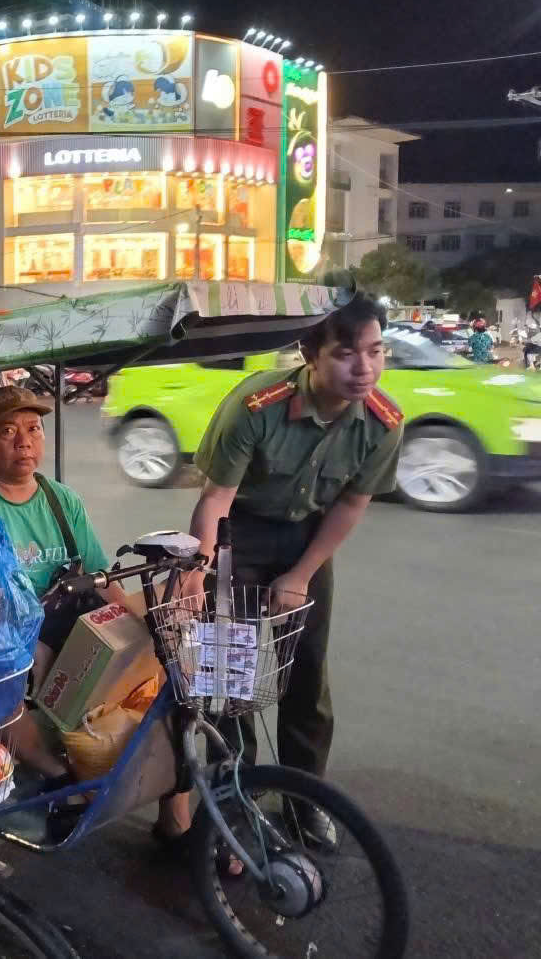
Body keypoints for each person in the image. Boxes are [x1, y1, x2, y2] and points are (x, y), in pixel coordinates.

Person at [175, 293, 403, 849]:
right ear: (309, 354)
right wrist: (198, 569)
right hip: (237, 535)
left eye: (375, 352)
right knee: (228, 679)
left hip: (309, 539)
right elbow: (216, 499)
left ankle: (304, 801)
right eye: (346, 354)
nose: (364, 368)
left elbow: (350, 506)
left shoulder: (383, 423)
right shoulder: (256, 406)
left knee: (307, 678)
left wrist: (300, 575)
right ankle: (234, 798)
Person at [0, 385, 177, 837]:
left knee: (164, 666)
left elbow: (102, 578)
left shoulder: (62, 500)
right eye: (7, 432)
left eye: (33, 429)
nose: (24, 442)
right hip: (5, 637)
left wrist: (144, 626)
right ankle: (60, 778)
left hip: (68, 624)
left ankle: (175, 818)